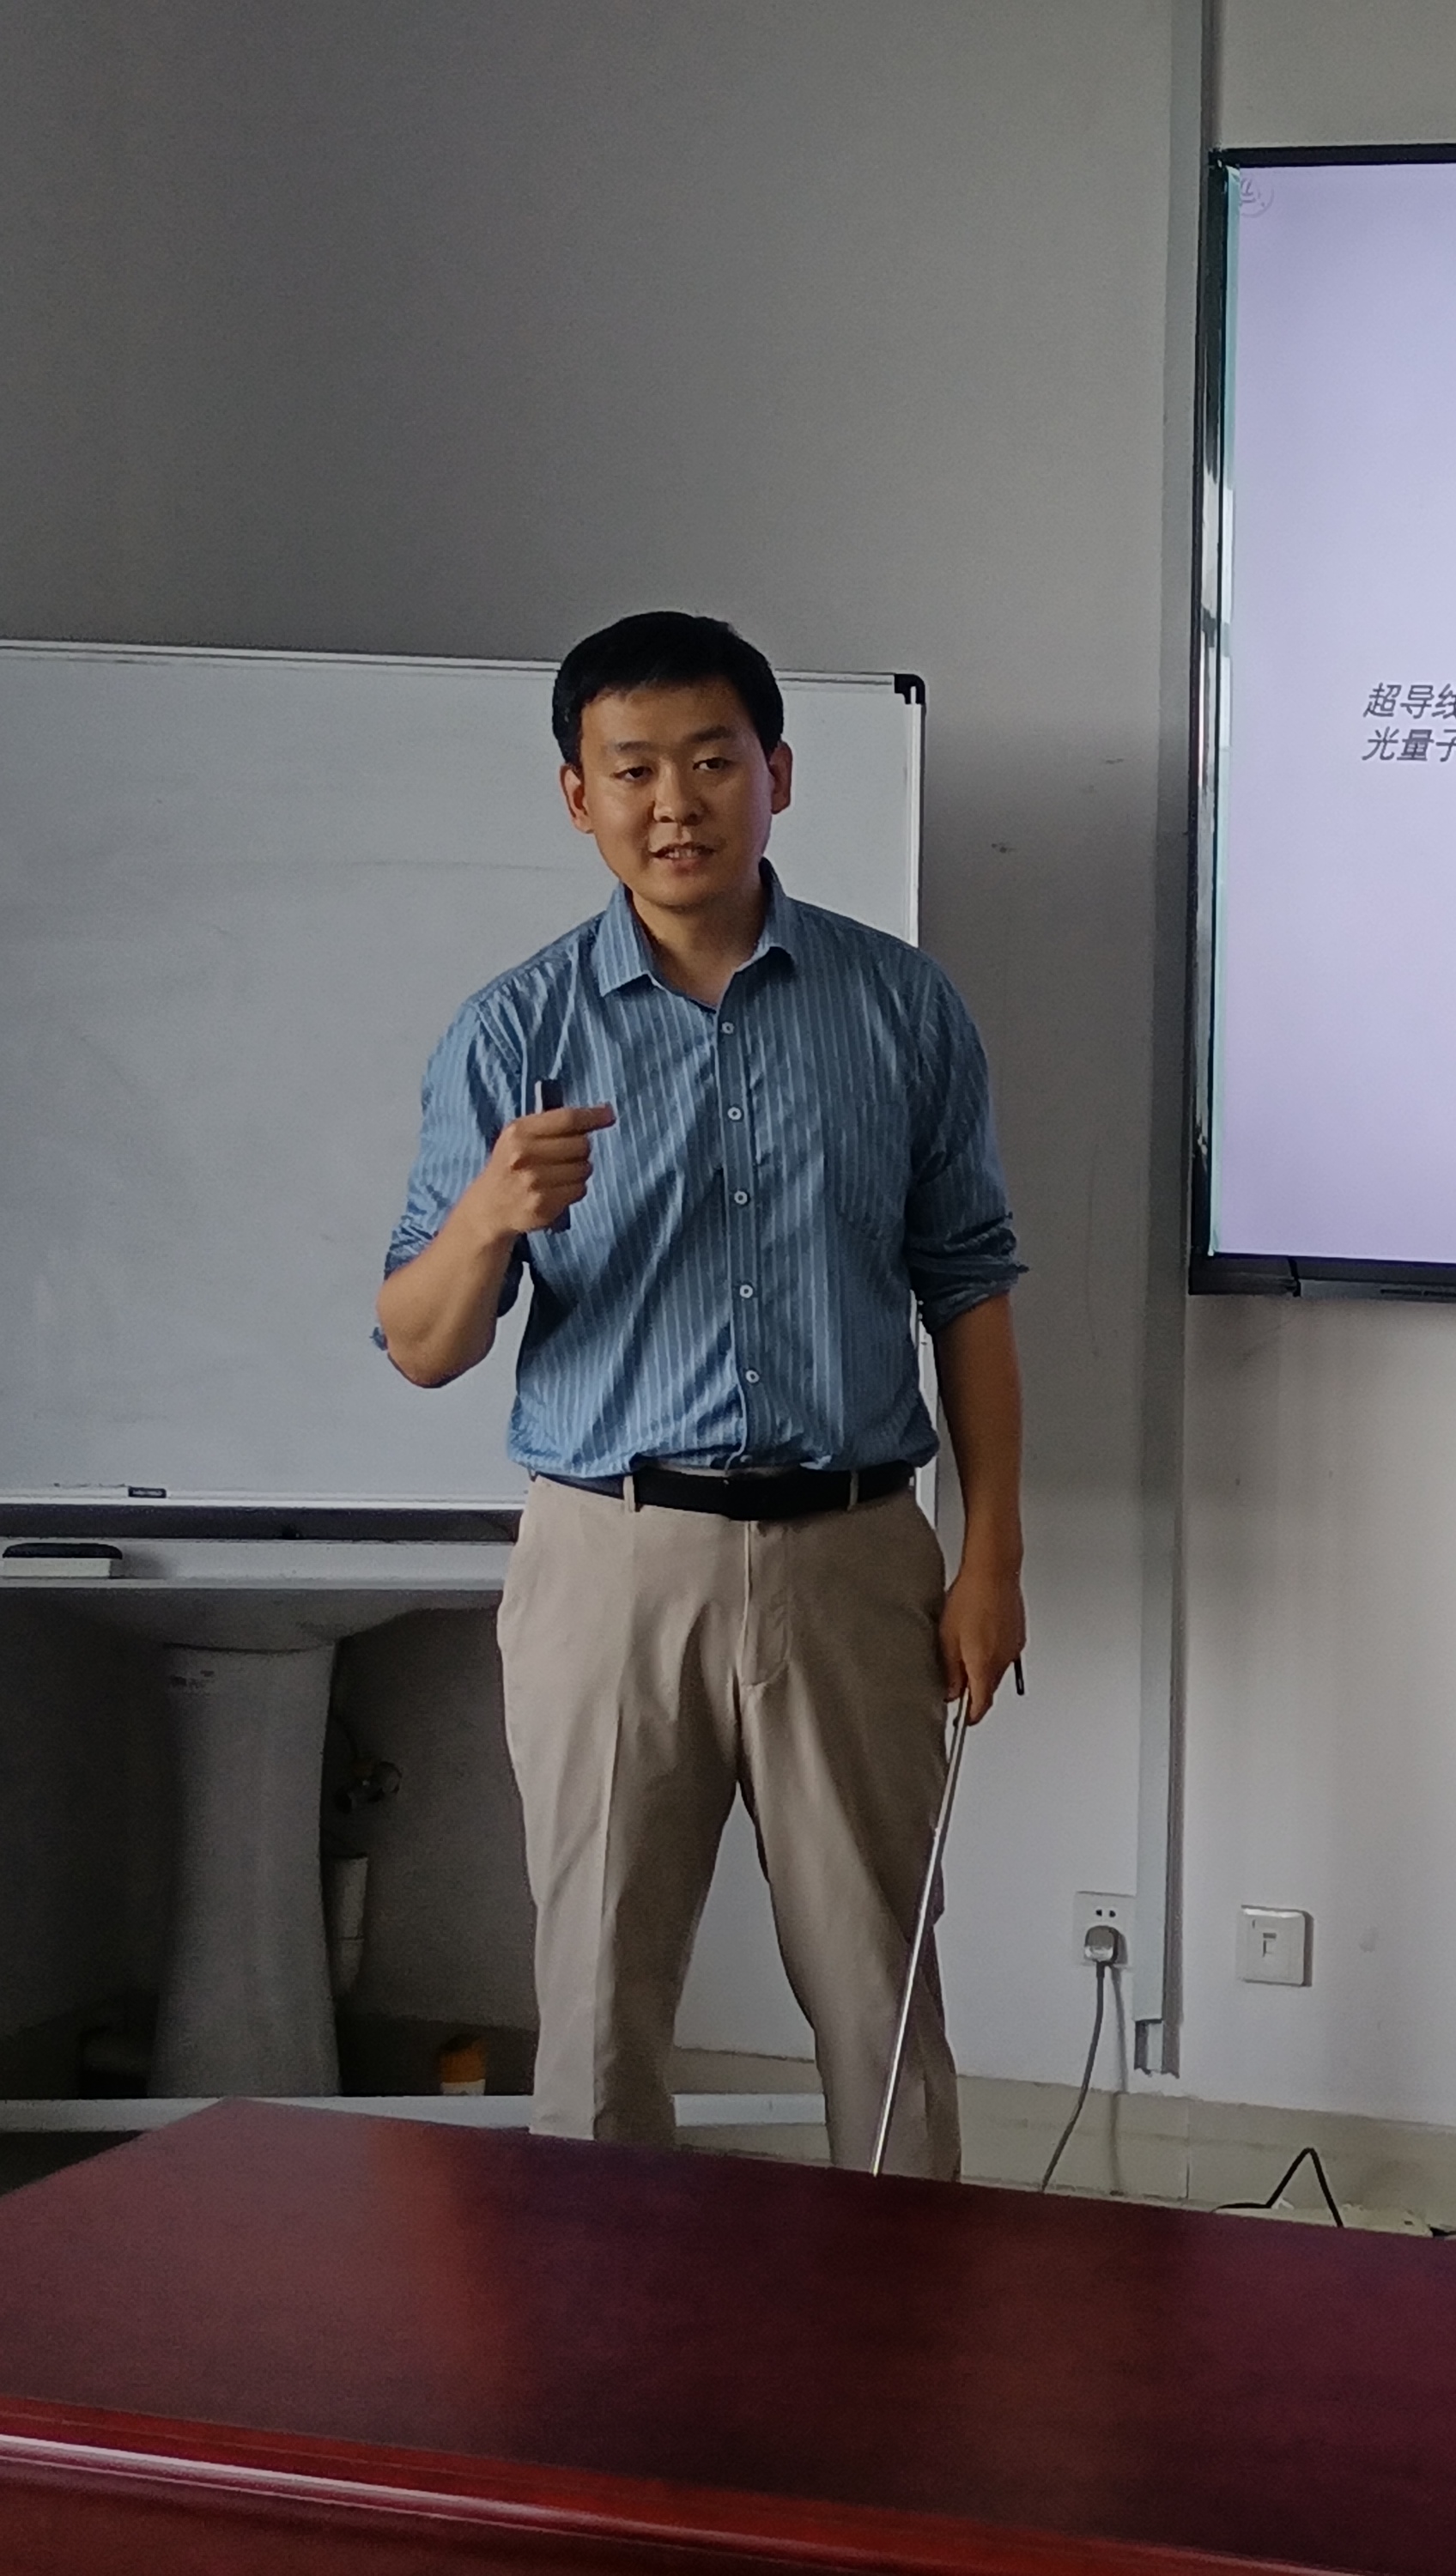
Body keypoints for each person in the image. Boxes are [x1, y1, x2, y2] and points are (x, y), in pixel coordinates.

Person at [379, 611, 1022, 2177]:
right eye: (634, 770)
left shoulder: (899, 1006)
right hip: (612, 1559)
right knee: (598, 2004)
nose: (676, 803)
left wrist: (992, 1552)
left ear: (777, 775)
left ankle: (907, 2307)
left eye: (712, 761)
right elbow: (421, 1340)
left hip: (854, 1554)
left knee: (882, 1996)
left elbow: (969, 1286)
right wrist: (489, 1216)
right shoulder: (516, 1031)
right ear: (579, 797)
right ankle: (601, 2321)